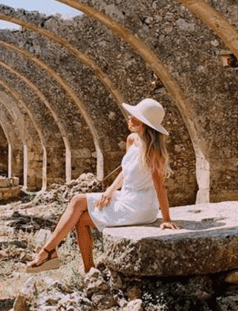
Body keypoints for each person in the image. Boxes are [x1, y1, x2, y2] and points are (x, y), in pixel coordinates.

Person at [26, 98, 180, 274]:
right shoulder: (131, 140)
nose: (129, 117)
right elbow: (125, 171)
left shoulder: (152, 151)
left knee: (78, 201)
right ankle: (89, 270)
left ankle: (47, 252)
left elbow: (160, 187)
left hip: (140, 205)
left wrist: (167, 219)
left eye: (134, 116)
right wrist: (110, 190)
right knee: (81, 221)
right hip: (125, 196)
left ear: (143, 122)